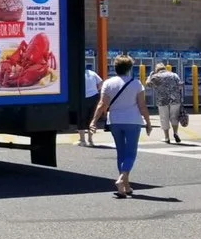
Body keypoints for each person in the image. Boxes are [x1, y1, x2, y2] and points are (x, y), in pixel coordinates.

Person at [89, 54, 152, 198]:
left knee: (121, 152)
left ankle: (125, 187)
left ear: (115, 68)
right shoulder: (136, 84)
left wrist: (93, 121)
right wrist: (148, 122)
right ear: (129, 68)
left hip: (115, 121)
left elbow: (102, 104)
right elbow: (142, 106)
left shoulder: (108, 83)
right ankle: (121, 179)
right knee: (131, 153)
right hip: (133, 120)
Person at [147, 62, 185, 143]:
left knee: (164, 118)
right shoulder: (174, 75)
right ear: (165, 68)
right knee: (174, 117)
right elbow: (180, 85)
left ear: (157, 70)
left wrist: (150, 76)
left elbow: (148, 84)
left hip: (162, 101)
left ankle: (167, 137)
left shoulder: (156, 76)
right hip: (175, 100)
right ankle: (175, 133)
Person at [78, 64, 102, 146]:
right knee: (91, 118)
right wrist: (96, 90)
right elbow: (101, 83)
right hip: (93, 97)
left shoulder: (77, 74)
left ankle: (82, 140)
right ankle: (90, 140)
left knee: (81, 118)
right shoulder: (92, 73)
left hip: (81, 98)